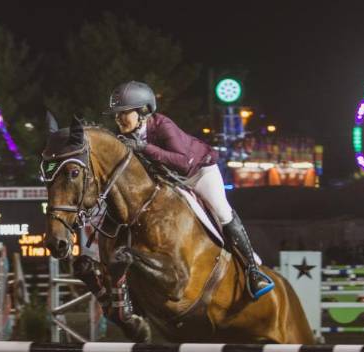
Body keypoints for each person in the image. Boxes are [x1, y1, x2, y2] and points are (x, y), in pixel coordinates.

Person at [106, 81, 273, 299]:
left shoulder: (163, 125)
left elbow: (183, 162)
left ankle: (253, 270)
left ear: (143, 111)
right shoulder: (126, 137)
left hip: (199, 173)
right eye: (116, 115)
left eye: (123, 113)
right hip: (173, 181)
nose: (118, 119)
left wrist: (144, 148)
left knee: (222, 211)